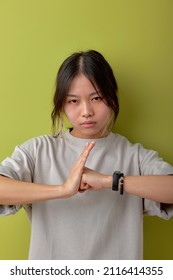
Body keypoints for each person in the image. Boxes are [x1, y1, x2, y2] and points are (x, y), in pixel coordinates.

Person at [0, 50, 173, 260]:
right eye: (73, 101)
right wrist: (62, 189)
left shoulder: (133, 155)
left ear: (113, 95)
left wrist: (109, 180)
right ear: (61, 103)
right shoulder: (38, 150)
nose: (86, 111)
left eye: (96, 98)